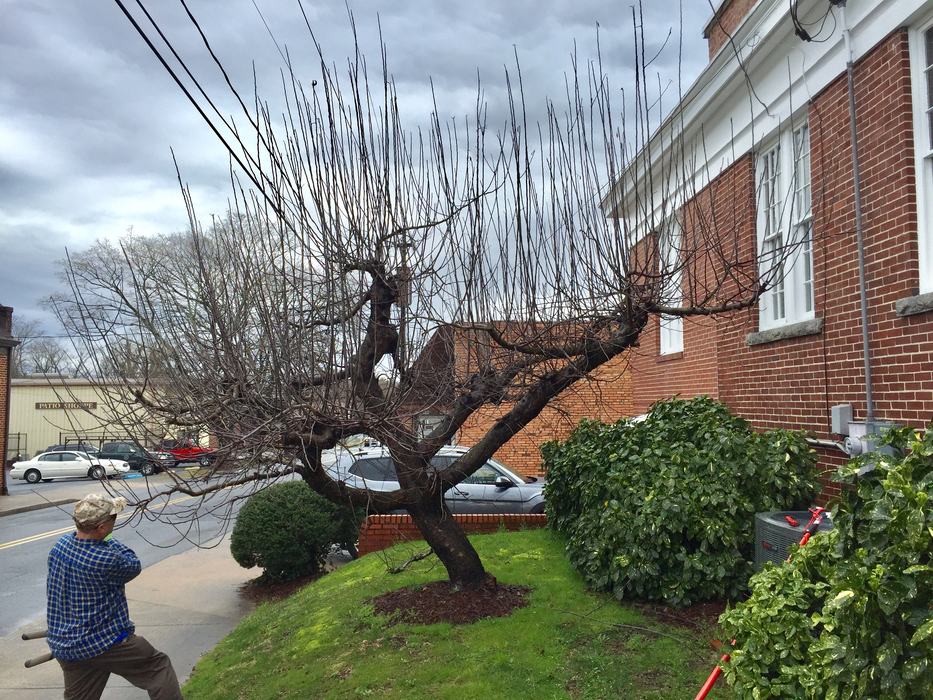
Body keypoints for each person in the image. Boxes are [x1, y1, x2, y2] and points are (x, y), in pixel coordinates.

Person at [46, 493, 183, 700]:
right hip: (106, 643)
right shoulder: (107, 558)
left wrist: (101, 536)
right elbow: (132, 564)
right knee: (158, 667)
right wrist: (107, 538)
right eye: (113, 520)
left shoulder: (61, 546)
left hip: (67, 646)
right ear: (101, 528)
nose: (114, 524)